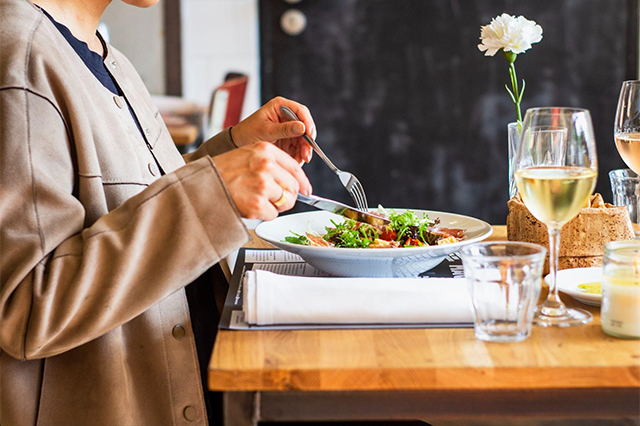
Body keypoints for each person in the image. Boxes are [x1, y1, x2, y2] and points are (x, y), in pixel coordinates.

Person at [0, 0, 316, 424]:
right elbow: (27, 307)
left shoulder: (109, 59)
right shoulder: (21, 58)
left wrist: (230, 149)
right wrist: (213, 190)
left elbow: (134, 202)